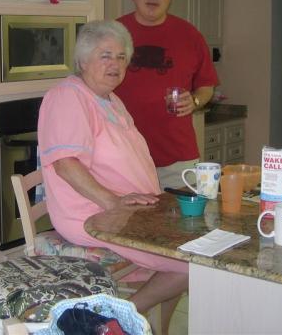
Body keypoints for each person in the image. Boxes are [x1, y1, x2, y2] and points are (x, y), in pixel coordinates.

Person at [38, 20, 188, 333]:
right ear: (82, 60)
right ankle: (116, 321)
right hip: (94, 216)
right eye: (105, 55)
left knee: (191, 247)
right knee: (192, 264)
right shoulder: (68, 96)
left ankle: (149, 327)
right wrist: (113, 202)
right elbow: (65, 163)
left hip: (130, 211)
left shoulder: (110, 99)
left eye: (121, 57)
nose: (115, 64)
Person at [114, 0, 220, 189]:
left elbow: (207, 86)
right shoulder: (113, 34)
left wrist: (194, 101)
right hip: (123, 158)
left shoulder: (190, 35)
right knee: (131, 224)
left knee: (184, 223)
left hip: (178, 160)